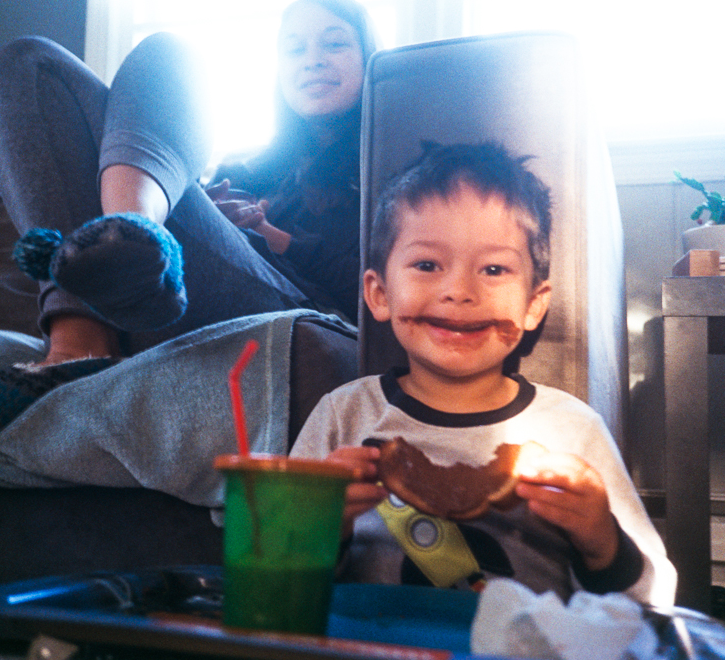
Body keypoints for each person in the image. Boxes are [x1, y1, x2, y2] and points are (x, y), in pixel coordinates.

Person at [0, 0, 377, 440]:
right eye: (294, 49)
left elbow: (392, 287)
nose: (312, 60)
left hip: (303, 305)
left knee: (173, 57)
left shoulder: (396, 163)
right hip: (168, 293)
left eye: (334, 43)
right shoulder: (245, 169)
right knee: (30, 62)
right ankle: (90, 316)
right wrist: (203, 211)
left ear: (369, 56)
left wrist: (274, 237)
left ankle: (134, 245)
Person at [289, 142, 676, 606]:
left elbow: (654, 597)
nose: (459, 290)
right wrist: (318, 530)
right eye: (427, 265)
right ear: (379, 293)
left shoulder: (572, 431)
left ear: (534, 304)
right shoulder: (343, 415)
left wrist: (603, 543)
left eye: (493, 269)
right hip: (374, 637)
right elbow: (278, 576)